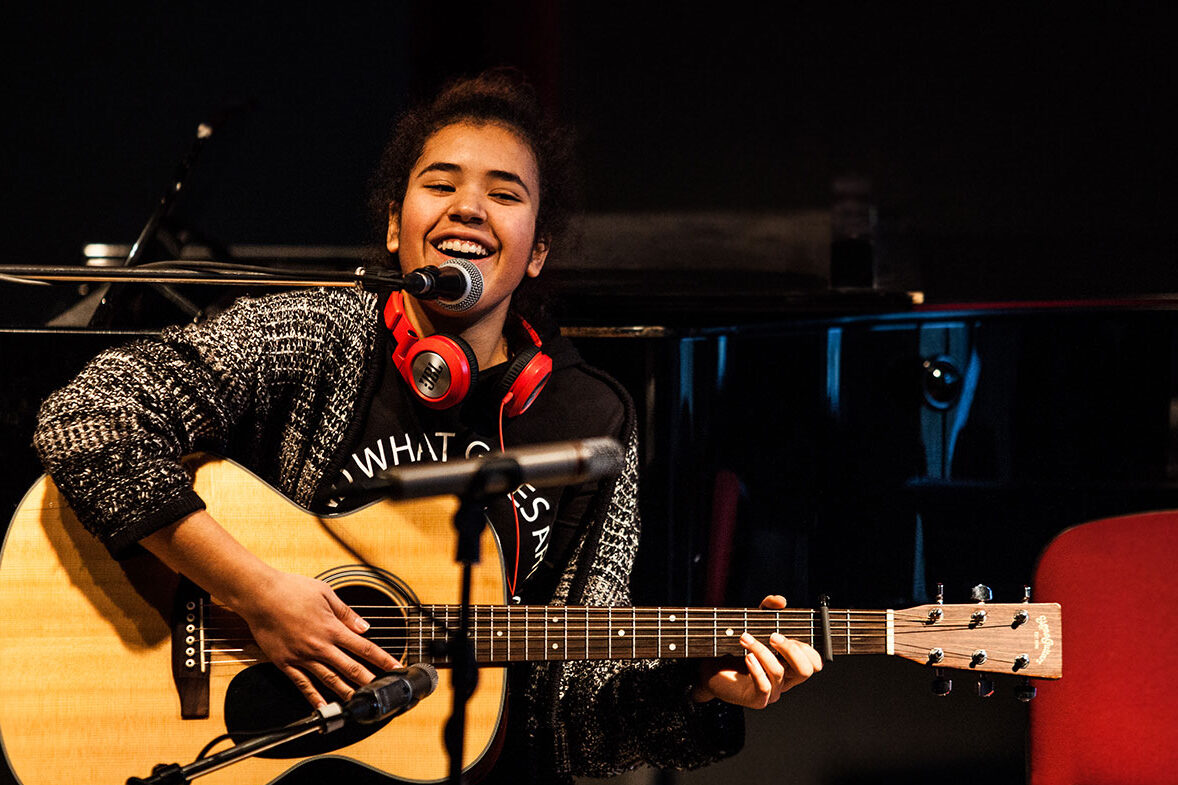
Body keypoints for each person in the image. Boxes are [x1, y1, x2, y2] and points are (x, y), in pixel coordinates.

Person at [33, 70, 821, 783]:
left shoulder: (590, 419)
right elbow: (85, 416)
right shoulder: (315, 337)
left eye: (506, 194)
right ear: (393, 226)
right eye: (439, 184)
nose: (469, 207)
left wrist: (697, 686)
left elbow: (578, 725)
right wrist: (256, 591)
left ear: (537, 251)